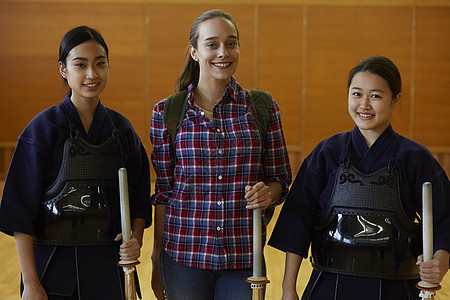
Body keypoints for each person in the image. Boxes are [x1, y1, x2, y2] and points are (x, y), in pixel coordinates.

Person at [268, 56, 450, 300]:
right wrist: (288, 289)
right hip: (329, 283)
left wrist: (441, 262)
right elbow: (297, 223)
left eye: (375, 96)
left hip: (397, 287)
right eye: (356, 94)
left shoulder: (416, 158)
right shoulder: (327, 152)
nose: (364, 104)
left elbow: (444, 219)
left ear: (395, 99)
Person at [0, 26, 151, 299]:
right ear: (63, 69)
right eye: (80, 64)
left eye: (100, 63)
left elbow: (140, 197)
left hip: (108, 265)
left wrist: (136, 238)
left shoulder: (122, 130)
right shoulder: (41, 130)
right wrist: (31, 282)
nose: (92, 74)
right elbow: (19, 213)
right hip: (52, 268)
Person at [149, 9, 292, 300]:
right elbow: (163, 193)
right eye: (212, 44)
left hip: (244, 258)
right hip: (182, 257)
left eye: (231, 43)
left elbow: (280, 179)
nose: (223, 52)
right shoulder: (167, 112)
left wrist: (270, 193)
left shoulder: (263, 108)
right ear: (195, 52)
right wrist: (155, 258)